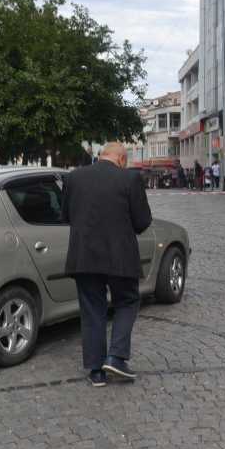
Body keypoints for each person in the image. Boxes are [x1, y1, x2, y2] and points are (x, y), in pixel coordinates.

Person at [62, 142, 151, 387]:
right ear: (122, 159)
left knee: (92, 310)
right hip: (119, 256)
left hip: (84, 256)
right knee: (128, 301)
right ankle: (117, 356)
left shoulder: (74, 178)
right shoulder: (129, 180)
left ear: (101, 155)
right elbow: (143, 222)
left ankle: (96, 371)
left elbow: (66, 216)